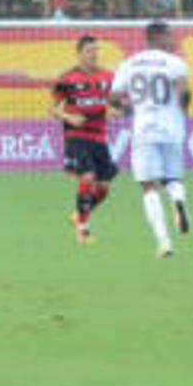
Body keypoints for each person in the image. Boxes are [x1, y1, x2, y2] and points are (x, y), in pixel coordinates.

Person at [112, 21, 191, 258]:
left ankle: (164, 242)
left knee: (148, 187)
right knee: (173, 177)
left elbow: (114, 97)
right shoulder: (175, 63)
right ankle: (178, 201)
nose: (174, 40)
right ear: (157, 37)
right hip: (172, 128)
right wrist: (183, 110)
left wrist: (129, 109)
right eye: (170, 36)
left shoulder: (129, 63)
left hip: (144, 128)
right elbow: (184, 92)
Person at [51, 35, 118, 244]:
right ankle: (83, 229)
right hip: (76, 135)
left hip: (99, 136)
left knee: (104, 187)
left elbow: (114, 103)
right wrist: (69, 116)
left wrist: (113, 110)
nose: (94, 54)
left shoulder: (108, 76)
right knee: (87, 178)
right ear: (79, 54)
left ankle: (79, 214)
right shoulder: (67, 79)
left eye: (96, 50)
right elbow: (52, 109)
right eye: (90, 51)